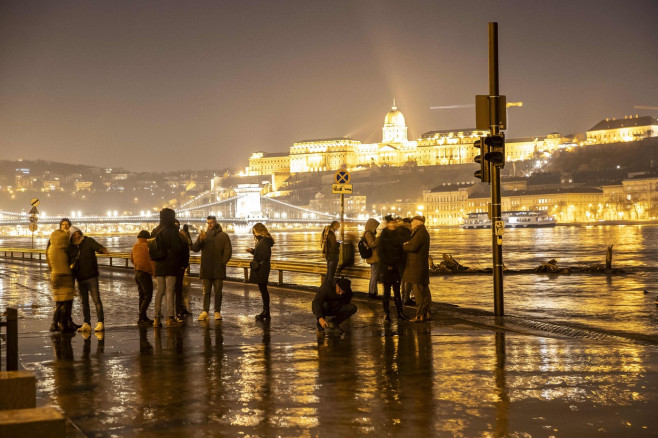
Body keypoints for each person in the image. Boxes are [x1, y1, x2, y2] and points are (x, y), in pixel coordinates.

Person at [151, 208, 188, 328]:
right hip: (170, 264)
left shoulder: (156, 230)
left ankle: (156, 319)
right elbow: (178, 247)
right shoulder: (172, 230)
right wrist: (184, 240)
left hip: (159, 264)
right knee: (170, 291)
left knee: (160, 291)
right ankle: (170, 318)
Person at [67, 227, 109, 332]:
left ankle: (100, 322)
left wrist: (102, 249)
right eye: (74, 235)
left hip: (92, 276)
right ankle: (87, 323)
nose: (77, 236)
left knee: (96, 300)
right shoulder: (71, 248)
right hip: (80, 279)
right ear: (71, 237)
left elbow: (97, 247)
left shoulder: (88, 241)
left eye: (78, 233)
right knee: (84, 302)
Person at [192, 215, 233, 321]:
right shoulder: (203, 235)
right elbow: (195, 249)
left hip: (218, 268)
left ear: (216, 223)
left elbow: (228, 251)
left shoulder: (223, 236)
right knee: (206, 292)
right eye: (208, 223)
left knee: (218, 292)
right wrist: (199, 240)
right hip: (206, 268)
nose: (209, 225)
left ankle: (217, 312)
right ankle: (205, 311)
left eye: (211, 223)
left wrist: (222, 263)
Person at [46, 220, 79, 332]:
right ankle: (60, 323)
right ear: (60, 227)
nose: (65, 227)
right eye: (63, 225)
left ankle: (65, 322)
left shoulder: (55, 241)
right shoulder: (64, 242)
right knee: (63, 301)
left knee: (65, 301)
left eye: (67, 225)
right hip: (65, 273)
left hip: (59, 273)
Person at [377, 215, 408, 321]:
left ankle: (400, 313)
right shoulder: (383, 236)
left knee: (397, 292)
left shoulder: (398, 235)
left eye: (394, 222)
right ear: (387, 224)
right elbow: (381, 253)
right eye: (391, 223)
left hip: (396, 268)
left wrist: (400, 264)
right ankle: (387, 313)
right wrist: (387, 264)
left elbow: (402, 251)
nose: (393, 224)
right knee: (386, 292)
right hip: (386, 268)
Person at [403, 215, 432, 322]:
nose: (411, 223)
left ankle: (420, 315)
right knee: (425, 291)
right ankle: (427, 312)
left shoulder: (420, 233)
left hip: (416, 267)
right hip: (420, 266)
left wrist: (405, 245)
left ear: (419, 222)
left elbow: (413, 247)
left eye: (413, 221)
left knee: (418, 292)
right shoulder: (422, 232)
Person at [246, 223, 274, 321]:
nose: (254, 234)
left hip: (262, 268)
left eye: (254, 231)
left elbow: (264, 255)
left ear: (258, 231)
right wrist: (253, 251)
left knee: (263, 290)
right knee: (263, 289)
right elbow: (261, 253)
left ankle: (266, 311)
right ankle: (266, 311)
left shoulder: (264, 241)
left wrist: (256, 258)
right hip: (263, 267)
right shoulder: (263, 241)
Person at [130, 230, 155, 326]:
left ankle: (143, 317)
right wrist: (154, 273)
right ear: (146, 238)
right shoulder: (148, 247)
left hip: (137, 273)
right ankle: (141, 317)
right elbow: (151, 261)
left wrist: (137, 265)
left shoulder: (135, 246)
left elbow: (131, 259)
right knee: (148, 295)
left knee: (142, 295)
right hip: (145, 273)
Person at [173, 219, 192, 318]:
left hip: (179, 268)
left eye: (178, 225)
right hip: (173, 268)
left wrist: (183, 265)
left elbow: (186, 251)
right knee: (173, 290)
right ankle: (173, 312)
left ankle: (179, 309)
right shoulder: (171, 237)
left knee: (179, 290)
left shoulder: (182, 236)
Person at [396, 217, 415, 305]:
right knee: (408, 278)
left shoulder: (398, 230)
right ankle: (406, 298)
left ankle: (403, 297)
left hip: (399, 258)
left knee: (403, 278)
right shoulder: (407, 232)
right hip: (405, 257)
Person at [363, 218, 380, 299]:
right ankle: (372, 293)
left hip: (374, 257)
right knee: (374, 276)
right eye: (375, 226)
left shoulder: (369, 233)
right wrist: (379, 239)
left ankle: (373, 292)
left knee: (374, 275)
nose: (376, 228)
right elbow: (372, 244)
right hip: (373, 257)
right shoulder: (368, 233)